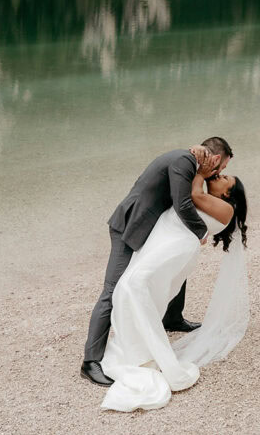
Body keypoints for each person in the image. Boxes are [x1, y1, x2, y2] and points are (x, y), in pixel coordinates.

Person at [80, 137, 233, 387]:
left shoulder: (189, 164)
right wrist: (201, 233)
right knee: (113, 289)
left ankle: (172, 318)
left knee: (176, 268)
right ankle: (90, 362)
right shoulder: (184, 161)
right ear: (215, 160)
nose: (219, 174)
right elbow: (182, 203)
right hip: (130, 228)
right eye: (221, 168)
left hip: (147, 228)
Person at [100, 166, 249, 411]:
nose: (219, 177)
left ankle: (147, 349)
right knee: (142, 290)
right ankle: (138, 342)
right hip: (170, 243)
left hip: (178, 247)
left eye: (224, 179)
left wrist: (200, 171)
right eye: (222, 173)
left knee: (138, 286)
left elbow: (194, 197)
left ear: (228, 194)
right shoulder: (216, 201)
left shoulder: (227, 208)